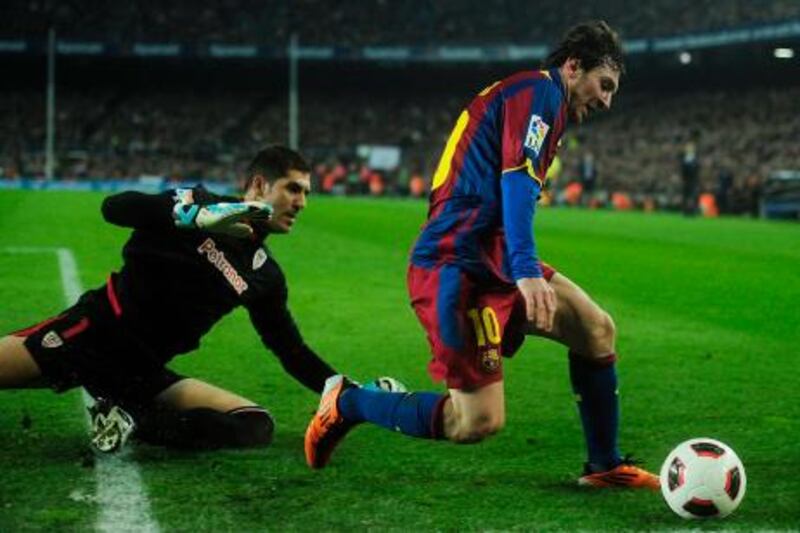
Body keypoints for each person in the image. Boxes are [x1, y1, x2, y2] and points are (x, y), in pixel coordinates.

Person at [304, 21, 659, 489]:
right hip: (456, 262)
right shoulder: (540, 93)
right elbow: (515, 179)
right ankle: (348, 401)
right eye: (604, 85)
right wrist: (527, 270)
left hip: (489, 253)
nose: (607, 101)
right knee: (474, 422)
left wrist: (519, 265)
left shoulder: (543, 104)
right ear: (574, 67)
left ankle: (604, 464)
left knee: (595, 328)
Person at [0, 145, 339, 452]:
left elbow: (291, 350)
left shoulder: (266, 276)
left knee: (254, 424)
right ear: (261, 185)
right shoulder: (196, 201)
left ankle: (132, 419)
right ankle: (128, 411)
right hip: (92, 336)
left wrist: (344, 391)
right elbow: (114, 208)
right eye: (293, 189)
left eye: (306, 192)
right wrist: (192, 217)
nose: (302, 203)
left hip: (141, 373)